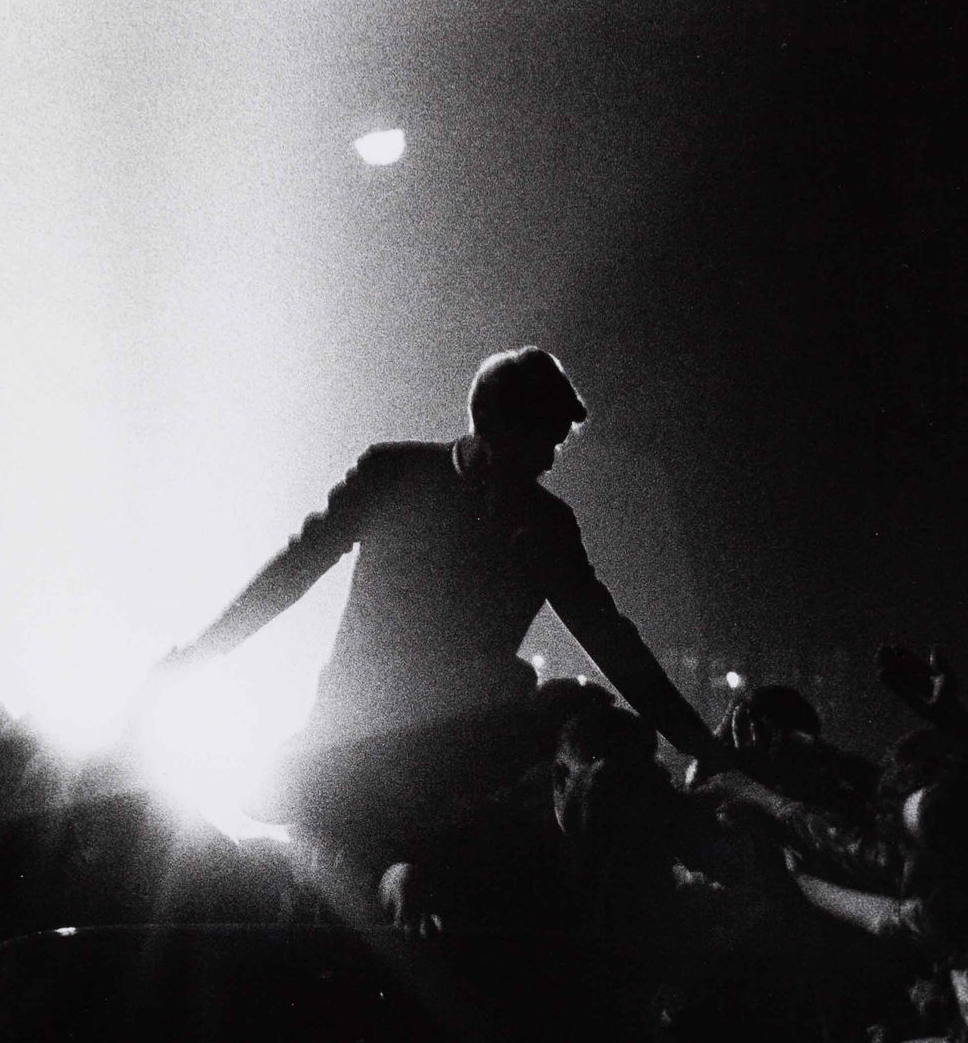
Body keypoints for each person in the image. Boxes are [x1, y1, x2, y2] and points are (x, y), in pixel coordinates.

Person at [159, 348, 722, 877]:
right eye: (542, 441)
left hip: (452, 756)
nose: (551, 460)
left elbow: (611, 639)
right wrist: (203, 652)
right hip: (364, 740)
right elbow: (294, 570)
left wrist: (698, 742)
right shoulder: (394, 475)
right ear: (495, 426)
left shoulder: (536, 519)